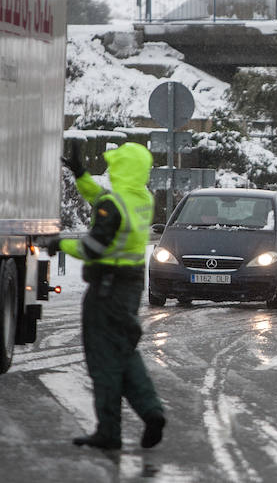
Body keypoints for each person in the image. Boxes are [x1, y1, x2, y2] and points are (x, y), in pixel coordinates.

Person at [47, 142, 165, 450]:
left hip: (106, 290)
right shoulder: (140, 198)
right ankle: (151, 410)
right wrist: (81, 174)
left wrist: (59, 244)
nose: (111, 171)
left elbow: (91, 248)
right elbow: (101, 200)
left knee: (104, 360)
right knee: (124, 351)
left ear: (122, 169)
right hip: (129, 286)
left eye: (115, 166)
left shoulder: (114, 205)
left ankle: (109, 431)